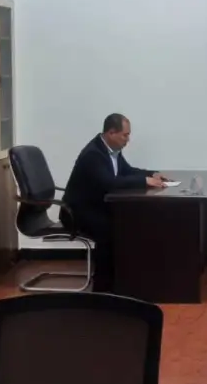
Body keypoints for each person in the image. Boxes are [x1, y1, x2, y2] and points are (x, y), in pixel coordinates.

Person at [62, 113, 167, 290]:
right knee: (112, 229)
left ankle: (124, 280)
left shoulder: (111, 150)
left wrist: (151, 174)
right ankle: (103, 288)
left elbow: (126, 171)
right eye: (125, 135)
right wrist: (144, 181)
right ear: (111, 133)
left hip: (95, 206)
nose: (128, 140)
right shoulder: (93, 154)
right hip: (77, 212)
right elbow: (109, 183)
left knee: (128, 223)